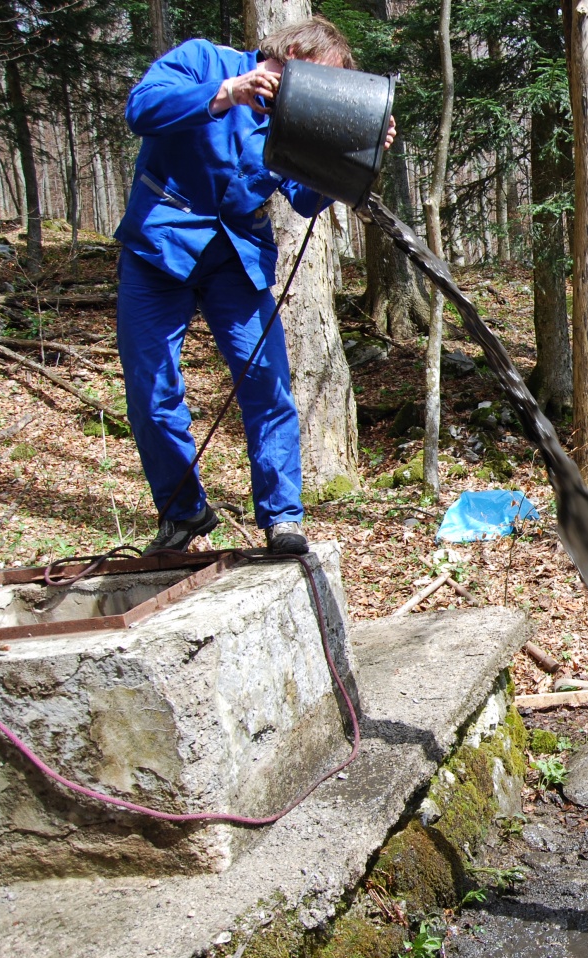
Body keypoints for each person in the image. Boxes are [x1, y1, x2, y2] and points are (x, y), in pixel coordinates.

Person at [116, 17, 393, 556]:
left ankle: (282, 516)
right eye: (327, 80)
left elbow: (306, 199)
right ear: (294, 53)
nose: (331, 96)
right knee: (152, 395)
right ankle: (183, 511)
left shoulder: (297, 120)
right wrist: (224, 95)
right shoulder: (203, 59)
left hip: (237, 261)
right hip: (159, 249)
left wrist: (359, 154)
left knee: (268, 388)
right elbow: (141, 110)